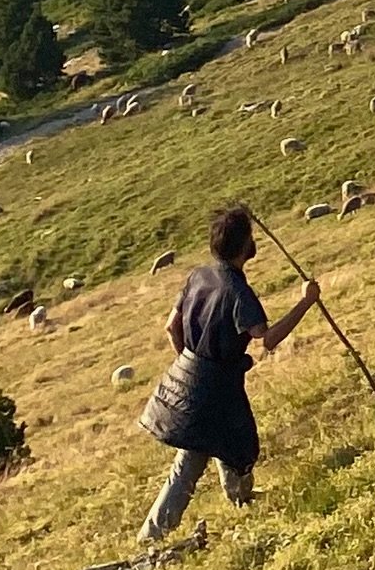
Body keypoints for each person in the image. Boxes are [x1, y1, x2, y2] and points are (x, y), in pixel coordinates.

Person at [135, 202, 319, 543]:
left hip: (190, 374)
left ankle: (238, 499)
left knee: (225, 440)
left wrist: (191, 369)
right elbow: (268, 340)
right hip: (213, 385)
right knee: (199, 455)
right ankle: (152, 537)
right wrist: (306, 301)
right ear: (243, 247)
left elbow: (171, 326)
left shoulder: (198, 276)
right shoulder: (238, 292)